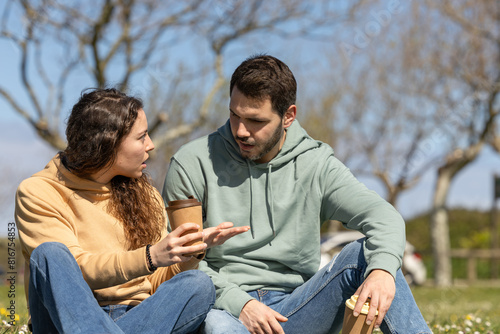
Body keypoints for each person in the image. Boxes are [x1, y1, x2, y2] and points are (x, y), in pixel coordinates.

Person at [163, 55, 431, 333]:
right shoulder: (191, 162)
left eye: (255, 120)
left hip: (296, 308)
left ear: (288, 116)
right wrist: (240, 303)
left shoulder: (315, 164)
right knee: (218, 327)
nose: (240, 130)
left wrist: (383, 271)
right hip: (223, 309)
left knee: (372, 259)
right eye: (234, 114)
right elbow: (180, 262)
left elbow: (384, 217)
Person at [15, 88, 249, 333]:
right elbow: (75, 272)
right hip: (67, 318)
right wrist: (149, 257)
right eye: (142, 137)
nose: (151, 145)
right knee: (49, 254)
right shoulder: (38, 191)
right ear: (108, 143)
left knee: (199, 284)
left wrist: (189, 253)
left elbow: (156, 282)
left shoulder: (144, 194)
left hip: (142, 317)